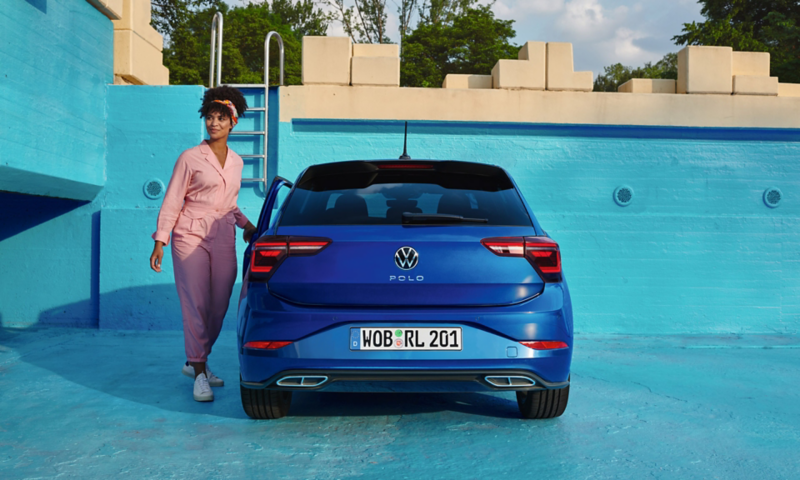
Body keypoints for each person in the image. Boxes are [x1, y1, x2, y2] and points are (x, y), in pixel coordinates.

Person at [149, 86, 257, 402]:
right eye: (209, 117)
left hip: (223, 234)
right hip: (189, 235)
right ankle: (198, 373)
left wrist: (247, 225)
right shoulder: (190, 157)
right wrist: (160, 240)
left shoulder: (236, 162)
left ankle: (197, 359)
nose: (213, 123)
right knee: (194, 303)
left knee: (220, 303)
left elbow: (229, 203)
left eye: (220, 118)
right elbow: (172, 199)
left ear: (232, 122)